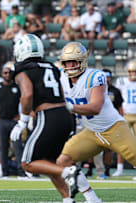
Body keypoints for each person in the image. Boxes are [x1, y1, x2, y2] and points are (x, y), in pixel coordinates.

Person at [11, 35, 100, 203]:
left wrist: (22, 121)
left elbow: (27, 94)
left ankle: (69, 173)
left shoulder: (22, 69)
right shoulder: (51, 67)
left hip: (48, 116)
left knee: (27, 163)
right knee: (51, 163)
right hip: (65, 115)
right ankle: (87, 199)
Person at [58, 42, 136, 201]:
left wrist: (67, 106)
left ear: (83, 61)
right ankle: (93, 199)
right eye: (68, 61)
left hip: (114, 128)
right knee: (62, 161)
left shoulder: (95, 76)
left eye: (75, 61)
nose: (71, 65)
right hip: (91, 132)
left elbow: (95, 107)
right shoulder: (60, 77)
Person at [114, 60, 136, 176]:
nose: (133, 74)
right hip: (126, 115)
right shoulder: (121, 81)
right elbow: (117, 98)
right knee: (122, 142)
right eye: (132, 71)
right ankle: (119, 168)